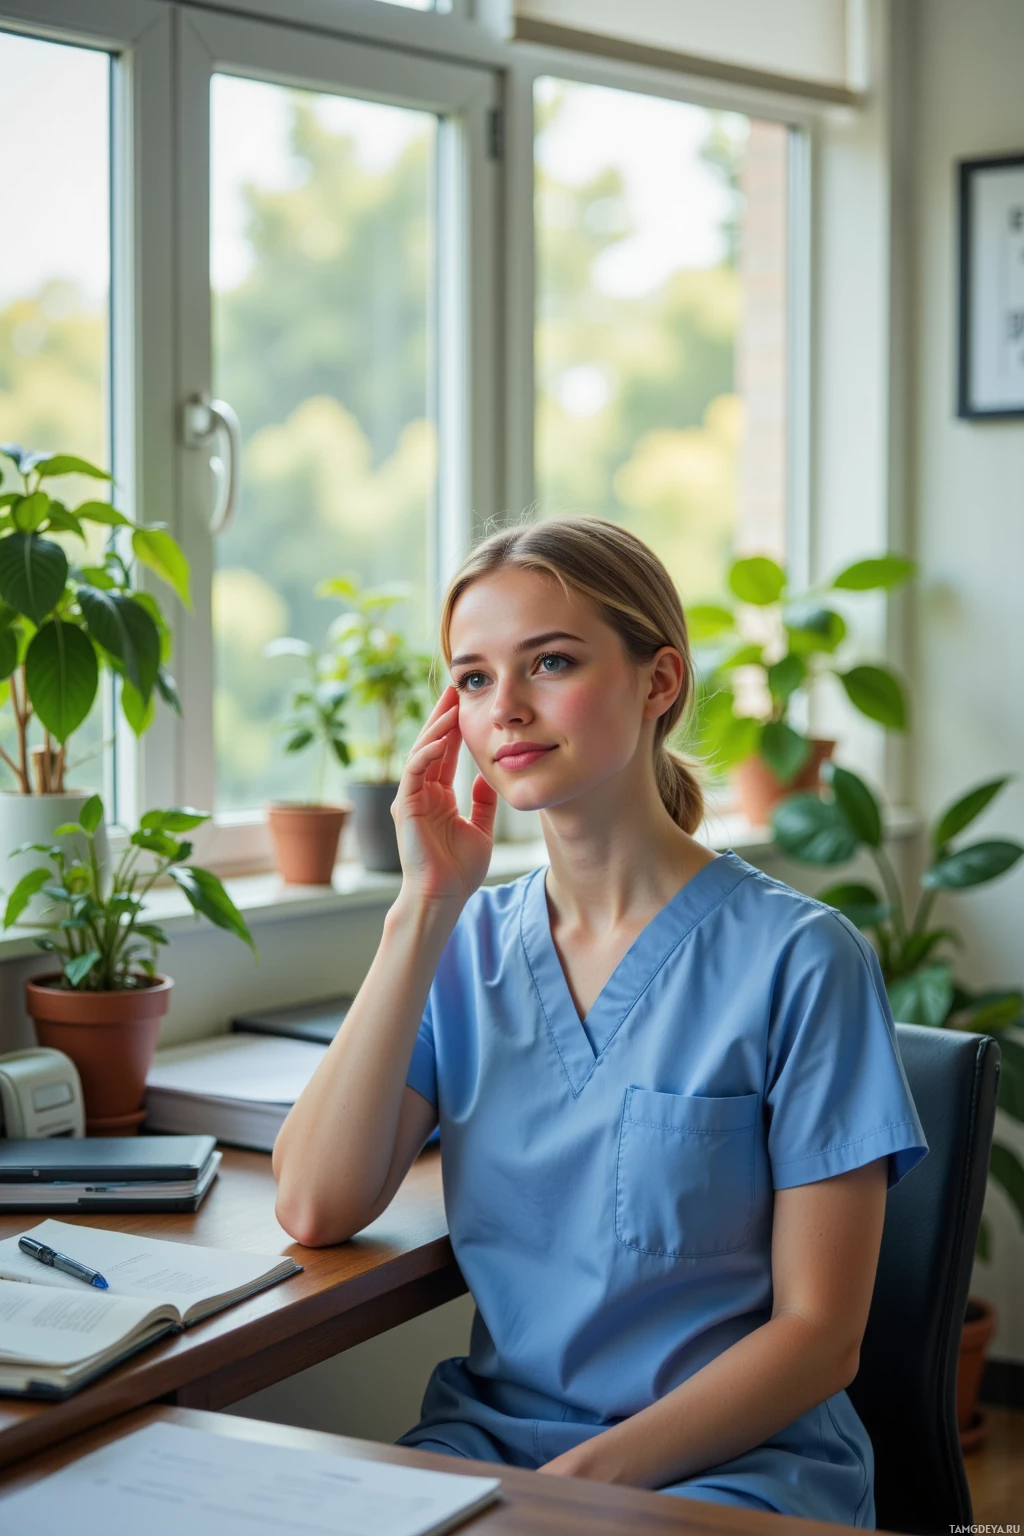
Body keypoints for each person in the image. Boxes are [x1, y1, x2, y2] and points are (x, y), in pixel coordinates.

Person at [273, 515, 928, 1525]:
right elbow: (316, 1206)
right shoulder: (464, 944)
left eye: (551, 663)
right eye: (476, 679)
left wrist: (571, 1491)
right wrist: (420, 909)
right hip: (488, 1442)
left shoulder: (800, 959)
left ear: (658, 681)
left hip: (735, 1467)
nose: (508, 711)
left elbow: (817, 1335)